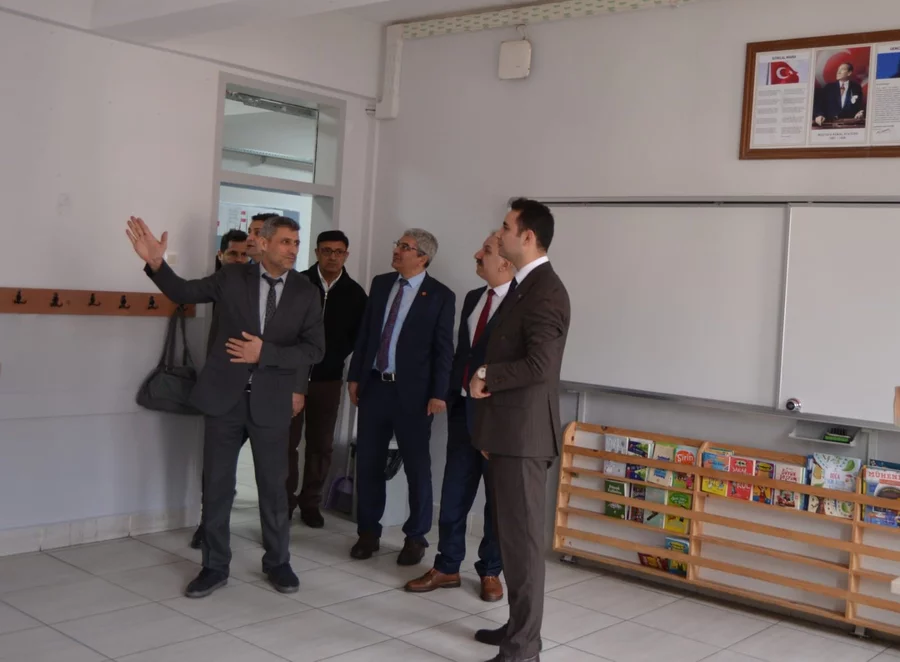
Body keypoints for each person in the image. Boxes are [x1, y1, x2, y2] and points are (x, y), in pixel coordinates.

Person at [126, 214, 325, 598]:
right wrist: (156, 262)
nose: (293, 250)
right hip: (224, 400)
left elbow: (315, 349)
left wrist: (265, 353)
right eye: (285, 242)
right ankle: (214, 566)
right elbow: (183, 292)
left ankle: (278, 562)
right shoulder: (232, 277)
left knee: (274, 488)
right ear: (263, 243)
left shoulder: (306, 291)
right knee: (217, 486)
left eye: (296, 243)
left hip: (271, 402)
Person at [469, 199, 570, 662]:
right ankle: (517, 628)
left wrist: (486, 374)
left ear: (528, 237)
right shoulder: (523, 286)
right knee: (512, 542)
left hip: (525, 437)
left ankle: (524, 648)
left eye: (506, 227)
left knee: (525, 549)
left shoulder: (546, 291)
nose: (500, 233)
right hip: (508, 432)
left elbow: (540, 365)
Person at [404, 233, 512, 602]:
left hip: (498, 419)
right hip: (464, 411)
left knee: (496, 500)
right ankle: (447, 565)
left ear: (506, 262)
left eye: (487, 251)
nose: (477, 254)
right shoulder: (473, 298)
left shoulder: (521, 304)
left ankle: (491, 570)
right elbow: (462, 352)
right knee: (453, 494)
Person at [347, 229, 455, 565]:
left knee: (417, 467)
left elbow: (444, 349)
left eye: (405, 247)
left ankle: (416, 537)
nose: (397, 250)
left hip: (415, 395)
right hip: (375, 386)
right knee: (368, 462)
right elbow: (366, 333)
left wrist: (439, 393)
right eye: (398, 244)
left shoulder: (440, 295)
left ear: (422, 257)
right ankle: (368, 532)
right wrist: (354, 376)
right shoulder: (381, 284)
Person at [287, 230, 367, 528]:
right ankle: (284, 501)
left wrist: (333, 356)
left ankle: (310, 502)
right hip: (291, 377)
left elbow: (359, 337)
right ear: (316, 252)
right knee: (286, 443)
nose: (332, 257)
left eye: (338, 251)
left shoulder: (355, 294)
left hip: (328, 379)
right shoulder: (297, 283)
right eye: (326, 250)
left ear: (346, 255)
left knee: (321, 445)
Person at [191, 228, 251, 550]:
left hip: (259, 392)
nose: (239, 260)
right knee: (216, 468)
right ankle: (209, 524)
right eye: (233, 254)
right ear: (220, 255)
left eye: (245, 255)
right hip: (222, 389)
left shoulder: (261, 288)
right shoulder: (216, 285)